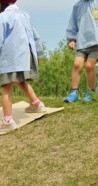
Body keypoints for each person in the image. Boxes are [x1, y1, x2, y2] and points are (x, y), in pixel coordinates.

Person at [0, 0, 46, 132]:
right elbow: (35, 36)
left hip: (9, 58)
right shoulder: (25, 15)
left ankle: (7, 120)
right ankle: (36, 104)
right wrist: (38, 54)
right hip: (25, 56)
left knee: (6, 88)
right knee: (21, 81)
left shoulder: (3, 17)